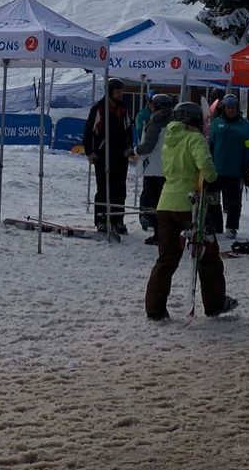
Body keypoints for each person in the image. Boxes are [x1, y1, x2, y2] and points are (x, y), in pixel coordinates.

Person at [144, 101, 237, 322]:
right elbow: (204, 163)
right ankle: (215, 303)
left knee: (166, 259)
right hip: (190, 206)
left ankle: (154, 308)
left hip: (166, 203)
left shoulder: (170, 139)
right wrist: (214, 179)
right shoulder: (195, 138)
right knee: (209, 256)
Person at [83, 78, 134, 234]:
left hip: (121, 155)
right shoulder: (99, 108)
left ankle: (117, 219)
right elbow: (88, 131)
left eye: (121, 92)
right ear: (110, 92)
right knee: (104, 188)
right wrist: (90, 151)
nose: (120, 95)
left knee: (120, 189)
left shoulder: (123, 108)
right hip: (103, 155)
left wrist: (129, 147)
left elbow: (128, 130)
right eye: (117, 92)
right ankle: (101, 219)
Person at [207, 90, 249, 239]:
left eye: (234, 107)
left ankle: (232, 227)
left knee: (234, 202)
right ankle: (216, 225)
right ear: (224, 108)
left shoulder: (245, 126)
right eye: (228, 107)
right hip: (217, 169)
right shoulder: (216, 123)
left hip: (235, 170)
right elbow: (211, 144)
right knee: (213, 199)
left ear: (237, 108)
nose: (231, 110)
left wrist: (247, 168)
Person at [135, 93, 174, 243]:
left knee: (153, 202)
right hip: (168, 167)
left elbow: (148, 146)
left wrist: (135, 150)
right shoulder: (174, 122)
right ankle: (166, 233)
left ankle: (159, 234)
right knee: (165, 202)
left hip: (154, 168)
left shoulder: (155, 122)